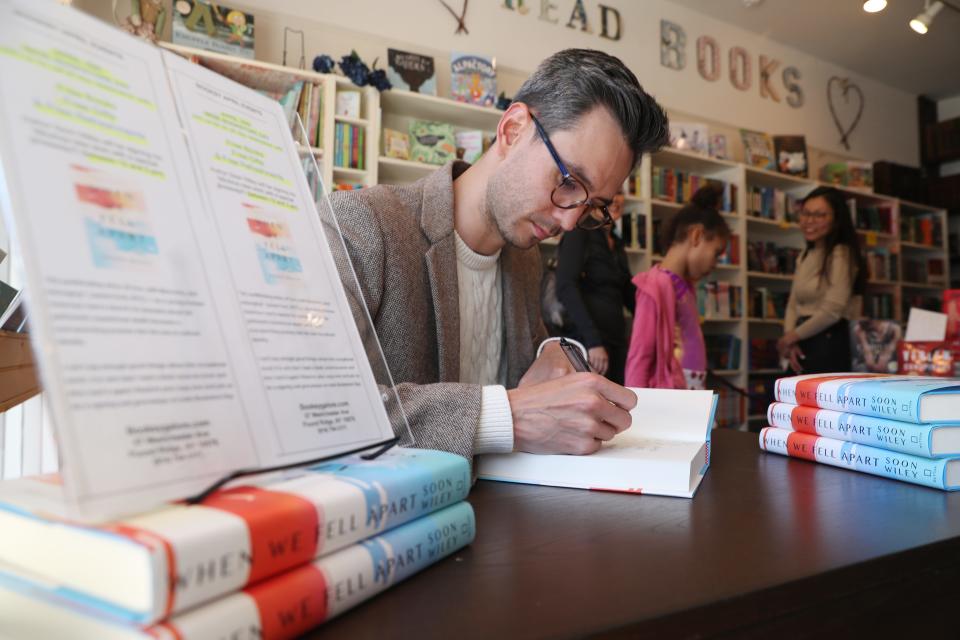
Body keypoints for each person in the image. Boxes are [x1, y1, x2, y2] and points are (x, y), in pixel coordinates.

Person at [330, 49, 670, 459]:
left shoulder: (522, 255)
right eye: (567, 181)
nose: (568, 223)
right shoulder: (360, 224)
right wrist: (505, 416)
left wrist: (552, 352)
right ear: (512, 130)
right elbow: (320, 405)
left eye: (593, 206)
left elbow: (535, 366)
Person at [624, 186, 730, 389]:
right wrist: (636, 411)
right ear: (697, 235)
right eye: (716, 253)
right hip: (672, 396)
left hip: (690, 391)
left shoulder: (685, 285)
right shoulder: (655, 285)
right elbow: (640, 356)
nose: (716, 263)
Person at [778, 186, 865, 374]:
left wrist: (791, 337)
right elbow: (793, 303)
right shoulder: (805, 254)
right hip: (802, 340)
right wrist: (790, 339)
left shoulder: (841, 254)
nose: (809, 221)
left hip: (829, 342)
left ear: (836, 220)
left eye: (819, 215)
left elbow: (833, 310)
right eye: (805, 213)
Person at [555, 189, 635, 383]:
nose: (616, 200)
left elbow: (628, 292)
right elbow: (565, 286)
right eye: (612, 193)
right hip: (589, 343)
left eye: (620, 192)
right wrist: (593, 342)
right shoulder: (580, 232)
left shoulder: (616, 242)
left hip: (616, 340)